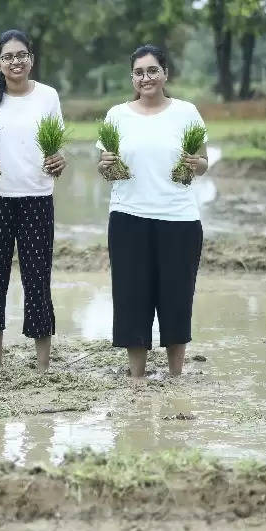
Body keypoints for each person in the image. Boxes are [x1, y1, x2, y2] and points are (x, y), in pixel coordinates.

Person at [98, 44, 207, 378]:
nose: (146, 78)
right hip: (129, 218)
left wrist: (196, 163)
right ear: (132, 77)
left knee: (177, 298)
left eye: (152, 70)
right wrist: (104, 165)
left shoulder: (186, 112)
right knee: (132, 298)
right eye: (139, 72)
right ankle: (137, 378)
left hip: (179, 219)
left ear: (165, 73)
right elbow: (104, 167)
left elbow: (203, 162)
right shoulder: (117, 115)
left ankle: (176, 375)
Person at [0, 30, 67, 371]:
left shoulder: (48, 96)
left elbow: (56, 147)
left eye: (21, 55)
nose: (15, 61)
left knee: (37, 279)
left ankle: (42, 365)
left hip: (37, 198)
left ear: (31, 59)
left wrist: (59, 160)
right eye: (8, 57)